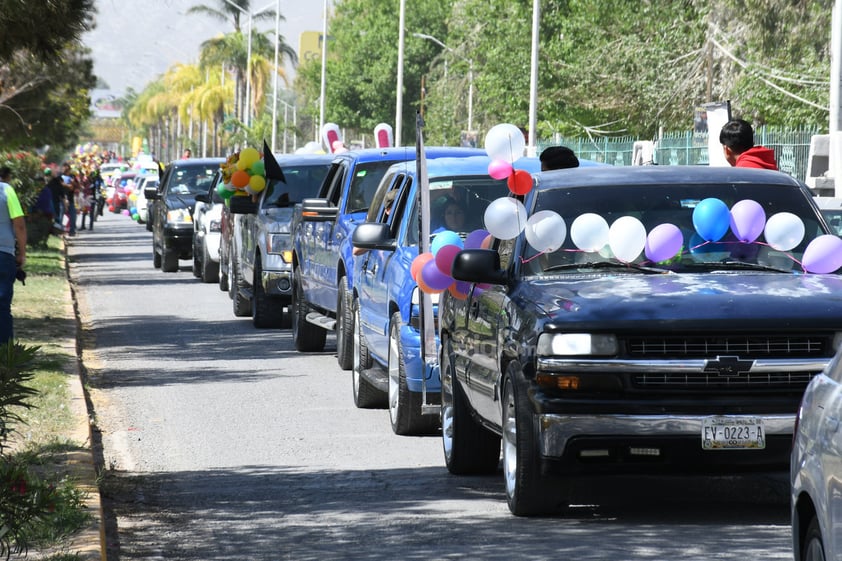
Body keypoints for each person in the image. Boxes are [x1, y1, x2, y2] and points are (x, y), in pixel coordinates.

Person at [0, 166, 27, 345]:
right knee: (2, 307)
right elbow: (19, 225)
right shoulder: (7, 190)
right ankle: (4, 355)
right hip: (3, 255)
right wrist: (22, 253)